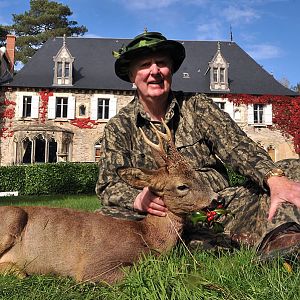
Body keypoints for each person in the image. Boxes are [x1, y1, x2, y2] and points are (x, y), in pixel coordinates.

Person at [96, 31, 300, 260]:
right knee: (108, 216)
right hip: (161, 216)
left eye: (162, 63)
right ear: (132, 75)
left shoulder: (197, 106)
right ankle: (235, 239)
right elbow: (108, 186)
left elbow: (237, 147)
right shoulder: (119, 127)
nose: (155, 71)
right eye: (145, 65)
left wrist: (272, 176)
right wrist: (137, 199)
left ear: (170, 70)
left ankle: (283, 240)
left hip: (215, 206)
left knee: (292, 169)